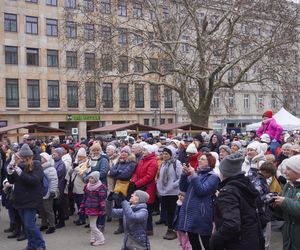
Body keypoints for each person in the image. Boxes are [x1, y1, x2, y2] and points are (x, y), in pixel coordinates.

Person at [210, 154, 262, 250]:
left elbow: (231, 224)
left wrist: (215, 239)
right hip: (252, 239)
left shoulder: (228, 192)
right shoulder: (247, 185)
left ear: (224, 172)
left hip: (237, 243)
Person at [6, 144, 46, 250]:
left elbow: (34, 180)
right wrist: (10, 171)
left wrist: (18, 171)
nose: (20, 159)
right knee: (26, 225)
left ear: (28, 157)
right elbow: (11, 181)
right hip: (19, 199)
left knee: (30, 225)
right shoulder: (18, 166)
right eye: (20, 157)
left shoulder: (36, 164)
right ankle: (31, 245)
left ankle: (40, 245)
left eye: (22, 158)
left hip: (31, 199)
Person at [178, 153, 220, 250]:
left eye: (203, 159)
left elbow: (201, 191)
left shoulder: (213, 177)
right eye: (199, 159)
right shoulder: (197, 174)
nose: (199, 160)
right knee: (194, 243)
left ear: (210, 162)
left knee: (207, 242)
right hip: (190, 213)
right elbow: (183, 188)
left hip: (202, 214)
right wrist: (184, 174)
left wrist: (193, 175)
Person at [129, 144, 158, 235]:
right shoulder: (142, 160)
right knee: (140, 208)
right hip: (140, 187)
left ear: (149, 151)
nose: (143, 152)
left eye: (145, 150)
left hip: (148, 188)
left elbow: (149, 177)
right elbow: (136, 173)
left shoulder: (153, 161)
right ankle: (141, 228)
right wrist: (133, 181)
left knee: (147, 209)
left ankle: (149, 229)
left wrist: (137, 184)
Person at [272, 155, 300, 250]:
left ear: (298, 170)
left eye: (288, 169)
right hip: (288, 235)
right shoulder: (288, 185)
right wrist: (274, 205)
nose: (284, 172)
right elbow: (281, 215)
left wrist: (284, 202)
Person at [156, 146, 182, 240]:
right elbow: (160, 177)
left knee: (173, 212)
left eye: (166, 154)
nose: (164, 155)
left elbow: (181, 177)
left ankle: (173, 230)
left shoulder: (176, 163)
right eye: (163, 154)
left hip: (173, 192)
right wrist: (159, 187)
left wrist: (173, 185)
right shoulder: (163, 164)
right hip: (165, 192)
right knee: (168, 212)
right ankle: (170, 229)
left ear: (172, 154)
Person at [109, 146, 136, 234]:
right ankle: (121, 226)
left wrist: (117, 172)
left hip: (128, 187)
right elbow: (111, 172)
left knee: (127, 206)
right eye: (122, 152)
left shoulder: (132, 163)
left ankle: (128, 226)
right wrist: (118, 172)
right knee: (118, 205)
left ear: (129, 154)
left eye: (125, 152)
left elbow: (125, 175)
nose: (123, 153)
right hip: (118, 186)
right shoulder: (118, 162)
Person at [80, 171, 106, 246]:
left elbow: (102, 200)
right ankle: (93, 238)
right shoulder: (87, 186)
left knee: (92, 225)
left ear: (96, 179)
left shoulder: (100, 187)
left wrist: (102, 209)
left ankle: (101, 239)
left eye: (92, 178)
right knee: (92, 224)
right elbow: (84, 197)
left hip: (95, 208)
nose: (90, 179)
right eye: (90, 177)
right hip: (88, 207)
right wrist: (82, 207)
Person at [39, 152, 58, 234]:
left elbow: (53, 180)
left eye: (42, 158)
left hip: (48, 191)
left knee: (48, 210)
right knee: (42, 209)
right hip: (42, 191)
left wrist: (53, 191)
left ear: (46, 159)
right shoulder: (41, 167)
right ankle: (44, 224)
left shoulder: (50, 169)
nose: (40, 159)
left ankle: (52, 226)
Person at [52, 147, 67, 228]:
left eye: (55, 153)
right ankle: (54, 220)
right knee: (54, 204)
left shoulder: (61, 164)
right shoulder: (53, 162)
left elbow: (58, 174)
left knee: (59, 204)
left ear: (60, 155)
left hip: (59, 186)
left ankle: (61, 221)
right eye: (53, 152)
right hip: (54, 186)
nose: (53, 154)